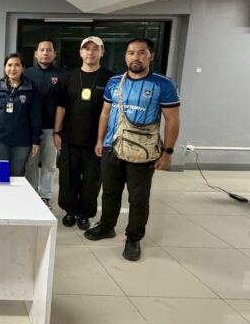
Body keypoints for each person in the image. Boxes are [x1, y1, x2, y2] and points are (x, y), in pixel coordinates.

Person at [84, 38, 180, 262]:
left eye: (141, 52)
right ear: (125, 56)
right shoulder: (114, 82)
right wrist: (100, 140)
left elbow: (172, 120)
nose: (136, 57)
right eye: (131, 53)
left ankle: (133, 238)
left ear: (150, 56)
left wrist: (168, 152)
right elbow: (105, 112)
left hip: (142, 152)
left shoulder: (163, 84)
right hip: (112, 147)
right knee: (110, 192)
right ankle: (107, 225)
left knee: (138, 198)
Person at [54, 36, 113, 230]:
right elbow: (61, 106)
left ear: (102, 52)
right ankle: (70, 210)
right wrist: (56, 132)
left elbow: (112, 112)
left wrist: (103, 140)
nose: (91, 52)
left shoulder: (110, 79)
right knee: (67, 178)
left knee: (91, 181)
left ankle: (85, 214)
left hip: (95, 142)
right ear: (80, 52)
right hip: (70, 138)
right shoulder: (69, 77)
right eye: (87, 49)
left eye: (95, 49)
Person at [24, 39, 65, 207]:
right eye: (42, 50)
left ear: (54, 54)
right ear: (36, 53)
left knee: (49, 164)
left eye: (49, 50)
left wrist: (57, 131)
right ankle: (31, 193)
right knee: (31, 163)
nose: (45, 53)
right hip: (30, 129)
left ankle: (45, 195)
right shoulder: (26, 74)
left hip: (51, 128)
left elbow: (63, 105)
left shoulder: (62, 75)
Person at [0, 53, 41, 177]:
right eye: (9, 65)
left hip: (22, 140)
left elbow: (36, 116)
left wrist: (36, 140)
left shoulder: (30, 88)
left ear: (23, 68)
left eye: (17, 65)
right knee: (1, 174)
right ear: (5, 67)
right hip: (1, 139)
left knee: (17, 174)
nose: (13, 68)